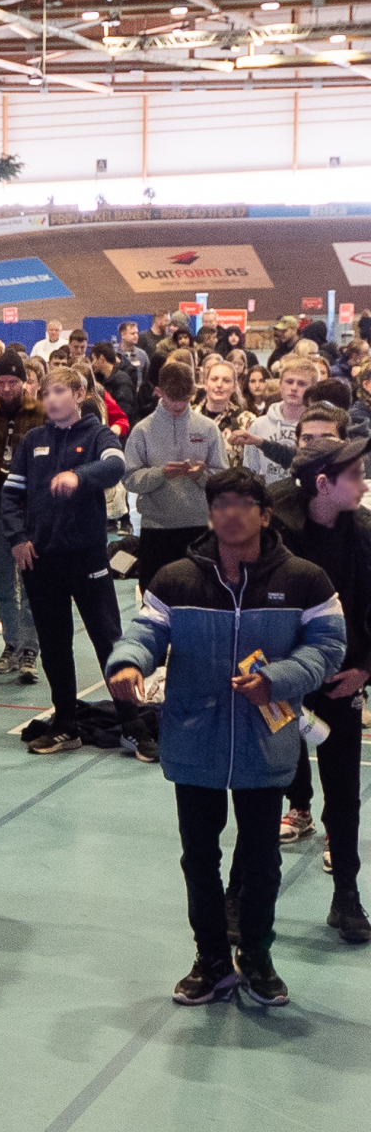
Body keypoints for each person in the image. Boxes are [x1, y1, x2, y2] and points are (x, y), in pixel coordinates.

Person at [106, 466, 347, 1006]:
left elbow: (328, 647)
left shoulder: (306, 578)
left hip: (267, 742)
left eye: (243, 503)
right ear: (210, 515)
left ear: (264, 514)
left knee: (262, 860)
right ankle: (211, 959)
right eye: (220, 504)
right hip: (194, 741)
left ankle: (257, 957)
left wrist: (277, 681)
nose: (230, 513)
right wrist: (128, 662)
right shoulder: (175, 578)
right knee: (199, 858)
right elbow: (146, 631)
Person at [254, 436, 371, 943]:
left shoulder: (364, 532)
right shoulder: (273, 537)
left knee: (344, 792)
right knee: (261, 790)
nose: (364, 484)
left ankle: (347, 893)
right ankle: (245, 894)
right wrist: (275, 678)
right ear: (323, 484)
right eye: (356, 476)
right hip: (280, 685)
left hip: (343, 682)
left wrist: (366, 669)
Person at [3, 368, 148, 759]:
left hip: (86, 557)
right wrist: (17, 538)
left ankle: (132, 726)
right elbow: (11, 496)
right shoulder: (33, 440)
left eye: (59, 391)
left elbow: (116, 466)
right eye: (46, 392)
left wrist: (78, 477)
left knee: (107, 639)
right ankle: (65, 724)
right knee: (54, 644)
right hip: (41, 559)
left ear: (79, 393)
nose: (50, 399)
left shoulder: (97, 434)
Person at [122, 360, 227, 590]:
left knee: (203, 595)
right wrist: (161, 474)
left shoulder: (208, 428)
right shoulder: (142, 430)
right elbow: (129, 478)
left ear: (193, 393)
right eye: (172, 400)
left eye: (185, 399)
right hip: (157, 529)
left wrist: (200, 475)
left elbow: (223, 478)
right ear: (159, 392)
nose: (179, 406)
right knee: (155, 596)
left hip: (200, 527)